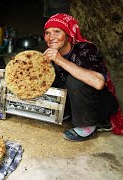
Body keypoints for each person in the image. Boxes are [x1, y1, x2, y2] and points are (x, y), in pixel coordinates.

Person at [43, 13, 118, 141]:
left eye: (57, 32)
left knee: (74, 80)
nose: (51, 37)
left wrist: (60, 61)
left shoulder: (86, 49)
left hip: (98, 104)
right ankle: (68, 113)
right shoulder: (49, 53)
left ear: (67, 35)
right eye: (47, 33)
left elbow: (99, 82)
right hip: (73, 103)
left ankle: (88, 126)